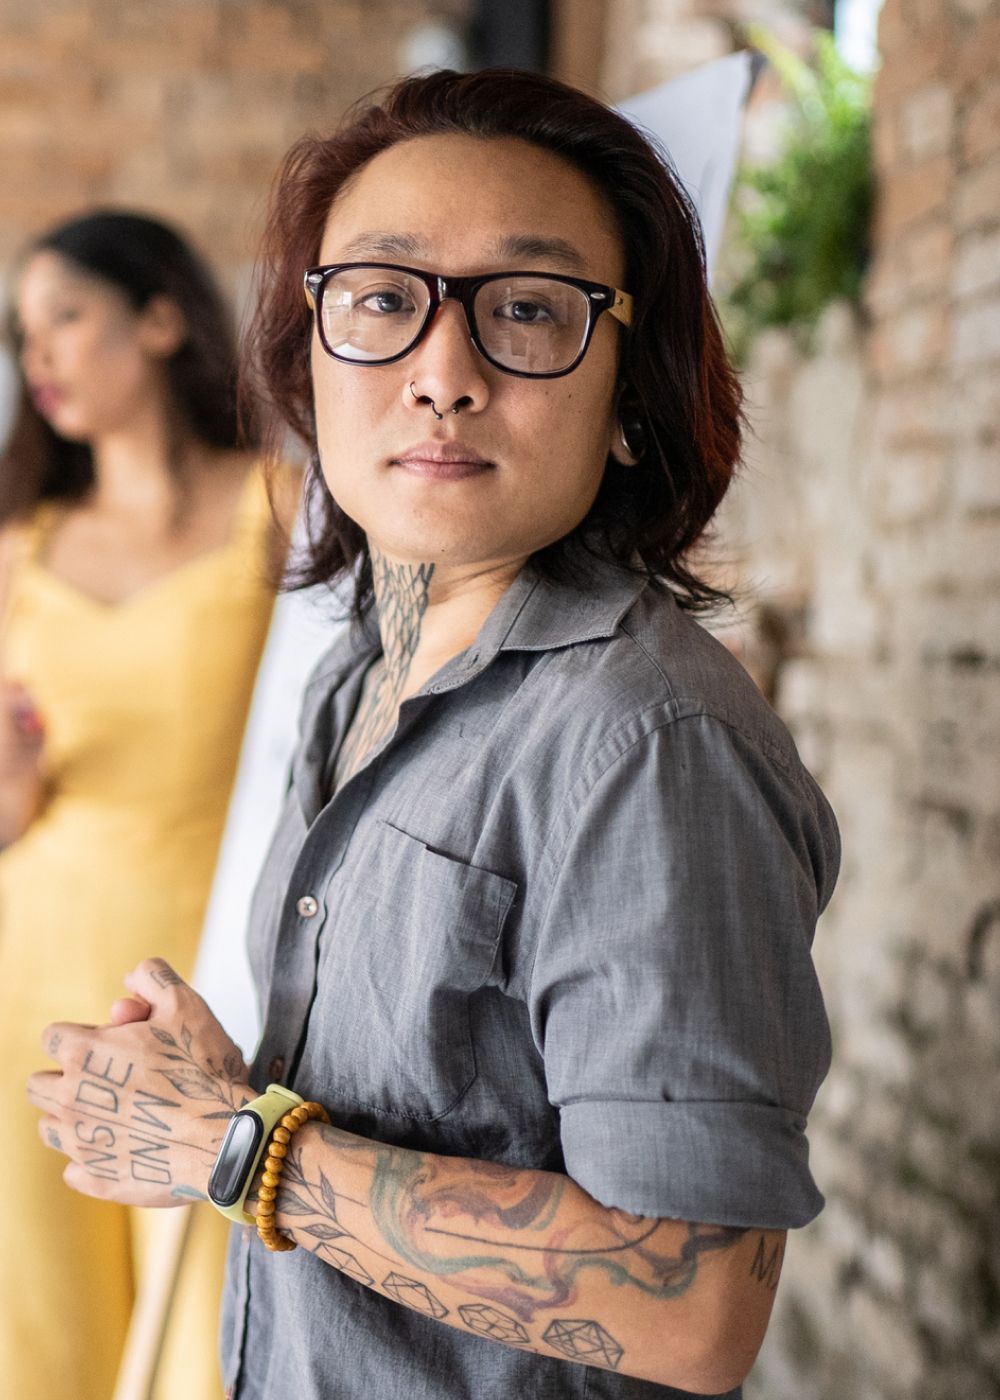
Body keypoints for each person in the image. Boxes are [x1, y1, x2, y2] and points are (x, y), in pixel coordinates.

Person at [28, 71, 839, 1399]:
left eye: (528, 309)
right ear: (308, 354)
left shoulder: (645, 741)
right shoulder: (357, 673)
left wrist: (235, 1144)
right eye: (383, 301)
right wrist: (234, 1083)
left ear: (633, 389)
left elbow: (692, 1304)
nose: (443, 375)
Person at [3, 210, 291, 1400]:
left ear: (162, 318)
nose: (42, 359)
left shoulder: (282, 504)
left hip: (208, 981)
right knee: (40, 1342)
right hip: (26, 973)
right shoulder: (20, 542)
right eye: (24, 337)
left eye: (66, 317)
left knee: (200, 1344)